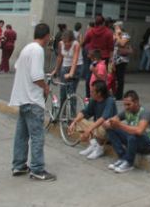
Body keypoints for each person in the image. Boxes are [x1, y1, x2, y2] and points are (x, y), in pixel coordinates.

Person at [9, 23, 56, 181]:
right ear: (47, 36)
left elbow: (18, 67)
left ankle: (19, 165)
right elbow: (37, 76)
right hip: (33, 100)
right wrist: (46, 88)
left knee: (21, 135)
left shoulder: (26, 48)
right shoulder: (38, 50)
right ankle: (37, 169)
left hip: (23, 99)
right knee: (37, 136)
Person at [105, 90, 150, 174]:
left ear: (136, 102)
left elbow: (139, 131)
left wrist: (119, 125)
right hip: (134, 139)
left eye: (128, 104)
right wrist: (108, 123)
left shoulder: (145, 112)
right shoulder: (127, 111)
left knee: (132, 133)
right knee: (111, 128)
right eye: (124, 104)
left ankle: (129, 163)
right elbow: (113, 120)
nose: (126, 107)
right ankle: (122, 157)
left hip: (148, 143)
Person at [67, 80, 117, 160]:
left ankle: (100, 149)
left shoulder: (110, 101)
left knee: (101, 127)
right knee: (79, 121)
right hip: (97, 127)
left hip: (109, 130)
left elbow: (103, 118)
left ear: (99, 93)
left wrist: (89, 130)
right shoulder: (94, 100)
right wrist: (74, 122)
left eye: (92, 91)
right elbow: (84, 112)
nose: (90, 93)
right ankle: (93, 144)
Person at [49, 30, 83, 113]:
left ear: (72, 40)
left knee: (71, 92)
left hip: (76, 66)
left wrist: (71, 73)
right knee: (63, 91)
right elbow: (60, 57)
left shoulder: (76, 44)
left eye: (68, 42)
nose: (66, 44)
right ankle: (62, 113)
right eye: (65, 42)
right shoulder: (61, 43)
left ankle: (72, 115)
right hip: (65, 66)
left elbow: (75, 59)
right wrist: (56, 70)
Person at [81, 14, 114, 97]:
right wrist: (111, 59)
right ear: (103, 23)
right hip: (104, 57)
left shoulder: (91, 31)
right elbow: (111, 47)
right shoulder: (108, 32)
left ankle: (89, 94)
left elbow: (85, 42)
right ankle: (101, 94)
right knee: (102, 76)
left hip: (92, 56)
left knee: (90, 75)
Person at [111, 22, 132, 98]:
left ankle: (119, 95)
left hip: (122, 59)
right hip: (113, 59)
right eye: (114, 28)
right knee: (112, 77)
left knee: (120, 78)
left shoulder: (125, 35)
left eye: (116, 27)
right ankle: (113, 92)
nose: (115, 29)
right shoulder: (114, 35)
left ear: (120, 27)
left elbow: (122, 44)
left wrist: (117, 35)